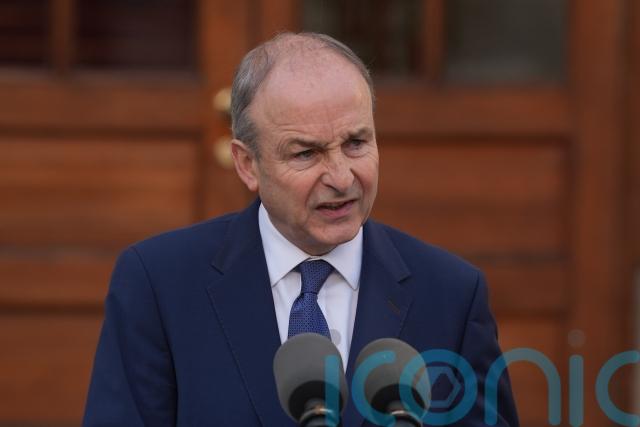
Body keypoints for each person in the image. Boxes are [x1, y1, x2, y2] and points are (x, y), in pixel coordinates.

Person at [83, 32, 519, 427]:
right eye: (306, 153)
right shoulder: (159, 284)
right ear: (247, 164)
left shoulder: (451, 295)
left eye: (356, 143)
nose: (342, 177)